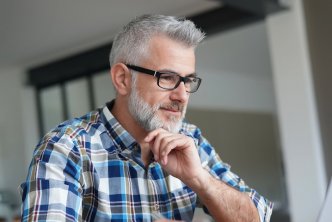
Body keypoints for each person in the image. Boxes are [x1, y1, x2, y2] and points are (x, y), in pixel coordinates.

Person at [20, 14, 273, 221]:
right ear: (122, 79)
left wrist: (199, 179)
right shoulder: (67, 148)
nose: (182, 95)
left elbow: (257, 218)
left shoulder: (190, 139)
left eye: (188, 81)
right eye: (168, 78)